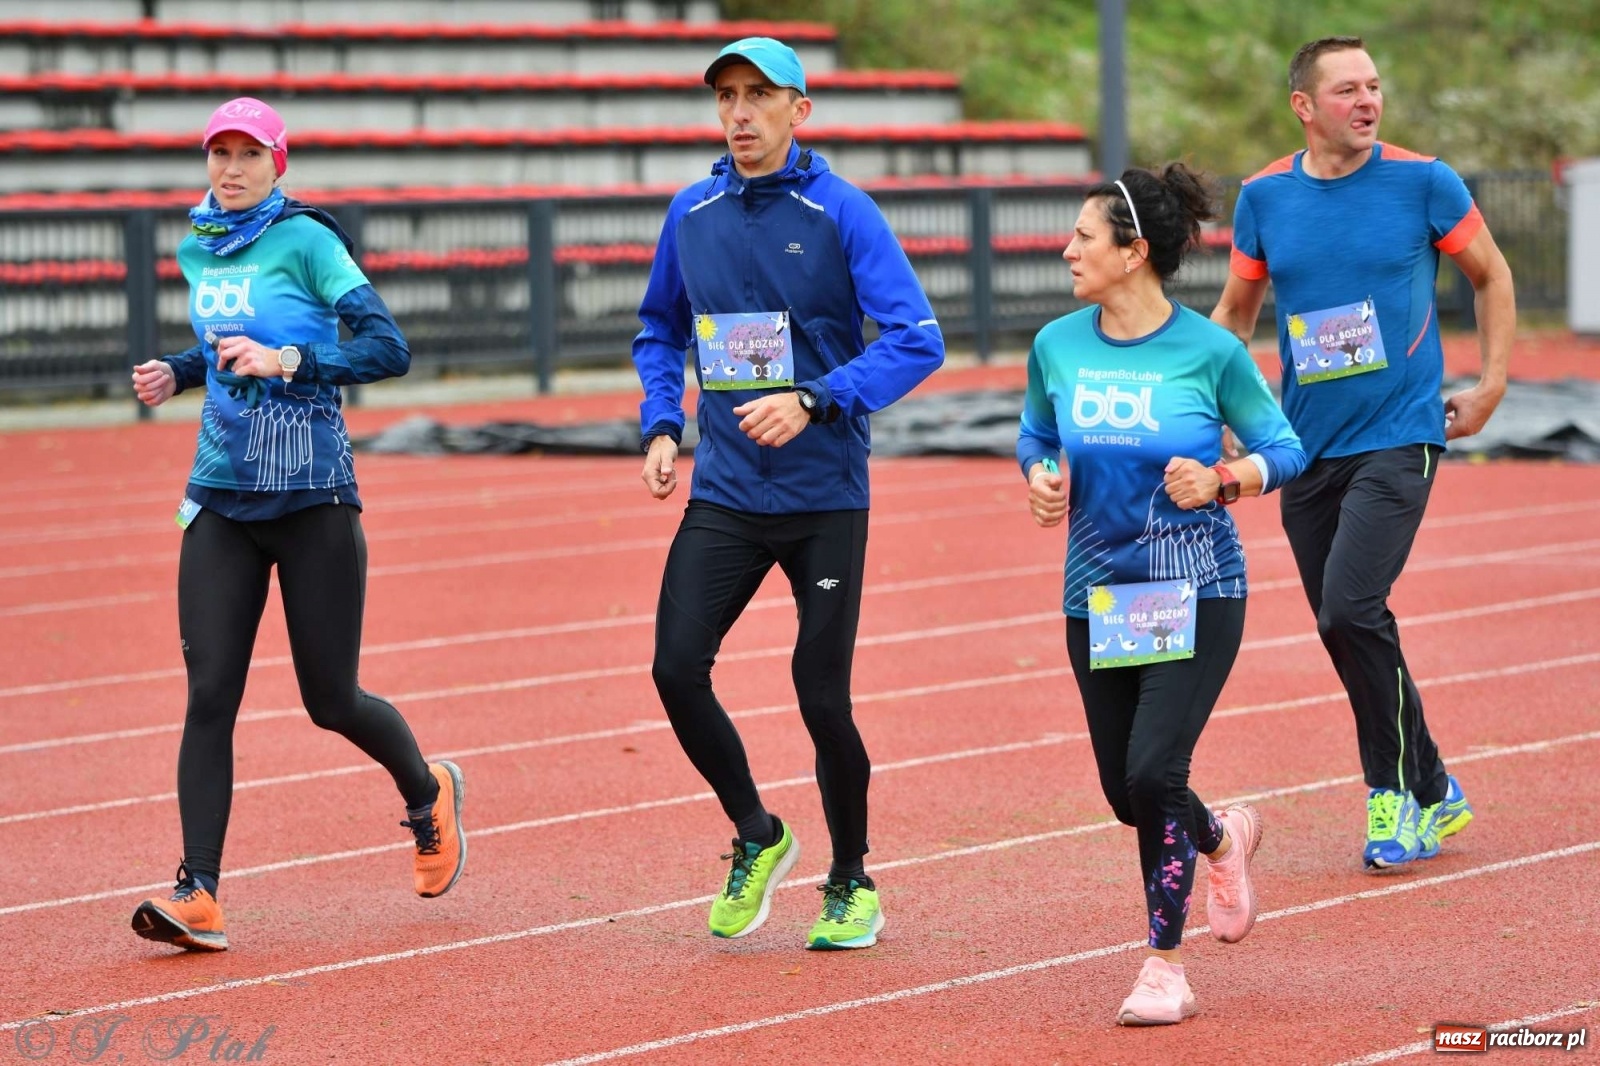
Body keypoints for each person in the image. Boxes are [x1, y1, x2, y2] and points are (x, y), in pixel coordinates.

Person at [127, 97, 465, 952]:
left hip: (313, 497)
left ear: (280, 162)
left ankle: (428, 793)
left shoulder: (311, 241)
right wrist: (181, 366)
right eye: (218, 153)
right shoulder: (195, 243)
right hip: (221, 498)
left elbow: (389, 348)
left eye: (248, 154)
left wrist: (293, 360)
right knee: (209, 697)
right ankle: (198, 890)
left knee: (330, 700)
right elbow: (224, 341)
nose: (231, 169)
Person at [630, 37, 944, 950]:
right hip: (726, 489)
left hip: (823, 496)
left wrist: (816, 398)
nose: (739, 113)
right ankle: (758, 834)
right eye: (727, 96)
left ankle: (851, 879)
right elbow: (659, 328)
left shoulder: (841, 210)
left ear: (798, 110)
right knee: (673, 669)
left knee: (820, 695)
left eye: (758, 96)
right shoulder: (690, 211)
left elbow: (917, 338)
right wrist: (661, 422)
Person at [1211, 37, 1515, 871]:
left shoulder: (1424, 181)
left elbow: (1490, 275)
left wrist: (1490, 385)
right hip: (1307, 449)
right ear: (1304, 106)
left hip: (1401, 434)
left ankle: (1392, 799)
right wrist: (1217, 409)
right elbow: (1236, 316)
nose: (1367, 101)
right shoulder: (1265, 197)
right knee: (1350, 627)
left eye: (1374, 86)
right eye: (1347, 90)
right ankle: (1437, 785)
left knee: (1350, 609)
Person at [1017, 163, 1307, 1024]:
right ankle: (1222, 837)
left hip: (1198, 587)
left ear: (1134, 251)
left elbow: (1284, 446)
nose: (1066, 248)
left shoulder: (1210, 352)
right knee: (1125, 791)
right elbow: (1037, 431)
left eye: (1083, 236)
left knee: (1154, 772)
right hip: (1099, 593)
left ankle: (1164, 965)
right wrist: (1038, 475)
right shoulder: (1057, 345)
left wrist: (1225, 478)